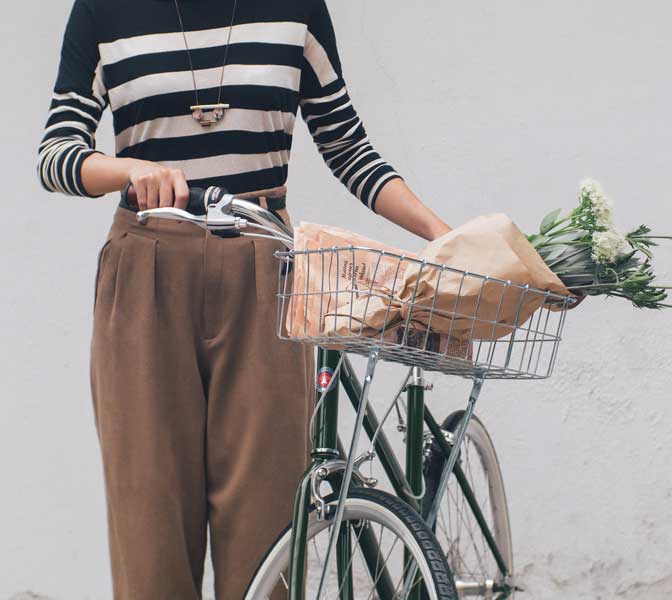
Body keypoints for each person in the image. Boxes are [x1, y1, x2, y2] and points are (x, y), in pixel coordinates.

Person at [37, 0, 451, 598]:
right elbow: (57, 154)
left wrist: (444, 236)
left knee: (267, 534)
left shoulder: (297, 9)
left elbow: (348, 148)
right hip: (146, 271)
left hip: (263, 267)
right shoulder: (104, 10)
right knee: (148, 526)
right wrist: (128, 169)